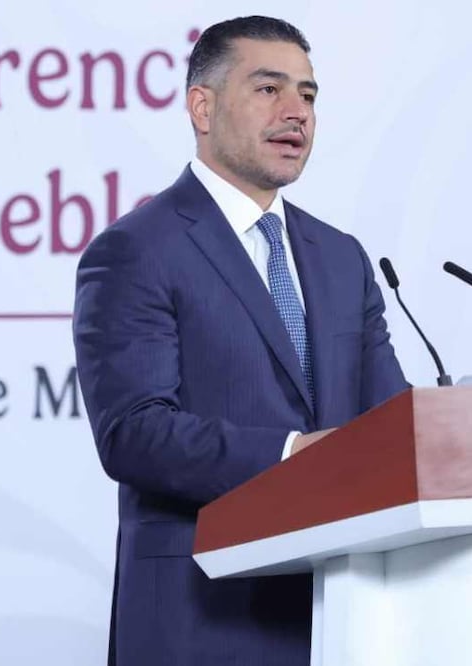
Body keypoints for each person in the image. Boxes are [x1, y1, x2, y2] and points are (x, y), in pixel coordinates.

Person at [72, 15, 408, 666]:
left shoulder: (340, 257)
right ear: (202, 106)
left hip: (345, 615)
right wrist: (293, 453)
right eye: (267, 89)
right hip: (204, 616)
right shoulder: (135, 251)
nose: (295, 113)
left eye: (307, 95)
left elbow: (390, 426)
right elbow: (133, 433)